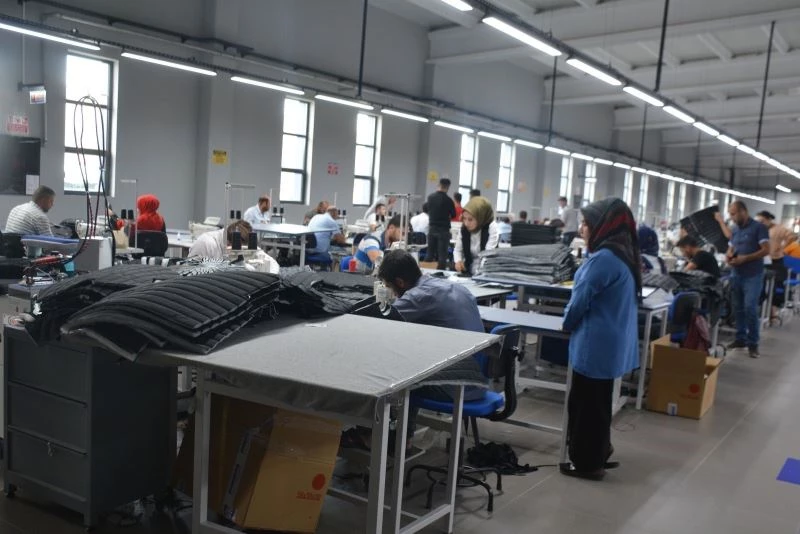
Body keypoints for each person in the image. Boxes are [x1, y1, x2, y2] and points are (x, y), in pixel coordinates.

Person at [340, 250, 488, 452]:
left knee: (388, 373)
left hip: (455, 387)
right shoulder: (454, 287)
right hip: (478, 379)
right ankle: (395, 433)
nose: (391, 292)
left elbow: (380, 323)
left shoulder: (418, 296)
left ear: (400, 282)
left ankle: (383, 437)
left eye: (389, 286)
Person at [561, 198, 641, 481]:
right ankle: (599, 451)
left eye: (586, 223)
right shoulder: (622, 255)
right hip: (610, 343)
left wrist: (566, 323)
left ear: (602, 226)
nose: (581, 229)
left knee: (585, 406)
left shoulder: (603, 259)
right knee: (598, 404)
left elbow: (579, 301)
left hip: (595, 345)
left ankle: (587, 464)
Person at [725, 201, 769, 358]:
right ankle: (740, 338)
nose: (731, 217)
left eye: (733, 214)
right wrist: (729, 256)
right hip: (736, 274)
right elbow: (731, 247)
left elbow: (766, 250)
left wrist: (745, 258)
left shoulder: (759, 228)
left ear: (743, 211)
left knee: (750, 307)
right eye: (730, 214)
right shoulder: (735, 229)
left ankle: (753, 344)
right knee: (738, 308)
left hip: (753, 275)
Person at [756, 210, 797, 321]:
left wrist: (783, 247)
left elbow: (793, 236)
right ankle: (761, 311)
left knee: (773, 287)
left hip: (775, 261)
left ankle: (772, 313)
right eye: (758, 221)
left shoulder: (779, 229)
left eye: (762, 221)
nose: (760, 223)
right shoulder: (759, 228)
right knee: (761, 286)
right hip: (762, 260)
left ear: (769, 219)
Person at [454, 196, 499, 276]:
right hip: (468, 271)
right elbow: (458, 250)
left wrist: (478, 274)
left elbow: (487, 255)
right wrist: (458, 261)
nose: (466, 223)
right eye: (464, 218)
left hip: (488, 271)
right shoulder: (464, 229)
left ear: (480, 217)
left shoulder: (491, 227)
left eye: (470, 219)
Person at [425, 178, 456, 270]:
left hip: (432, 228)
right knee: (442, 256)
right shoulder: (449, 200)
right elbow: (453, 214)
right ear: (448, 187)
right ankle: (440, 274)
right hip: (443, 230)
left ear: (439, 185)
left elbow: (426, 209)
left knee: (430, 254)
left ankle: (425, 271)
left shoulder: (430, 197)